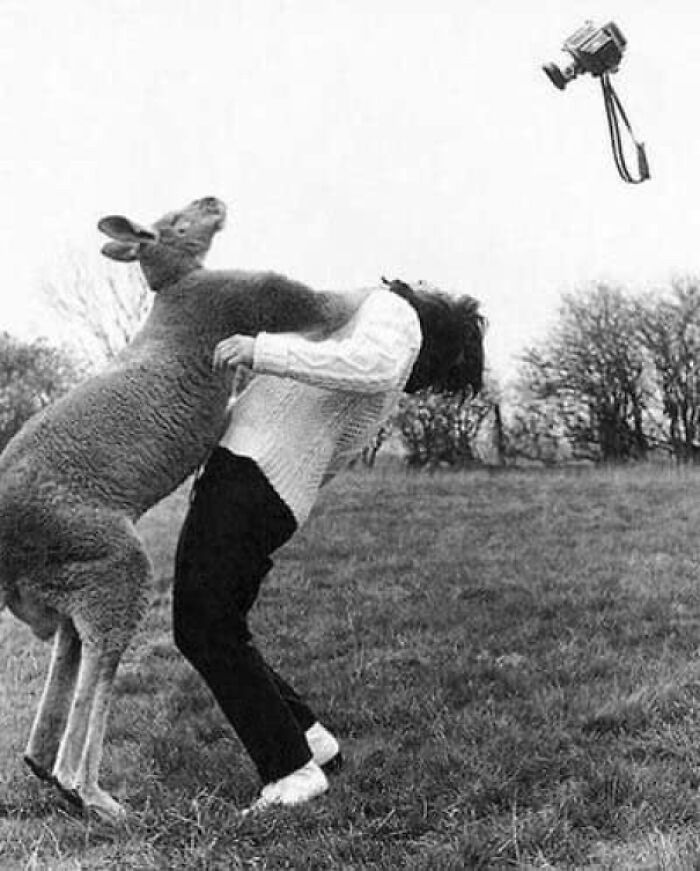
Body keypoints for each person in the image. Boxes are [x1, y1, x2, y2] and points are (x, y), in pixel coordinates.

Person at [172, 278, 484, 814]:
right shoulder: (380, 329)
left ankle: (291, 772)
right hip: (263, 487)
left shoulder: (393, 314)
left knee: (203, 626)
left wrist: (260, 349)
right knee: (217, 624)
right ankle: (311, 741)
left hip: (253, 478)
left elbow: (371, 364)